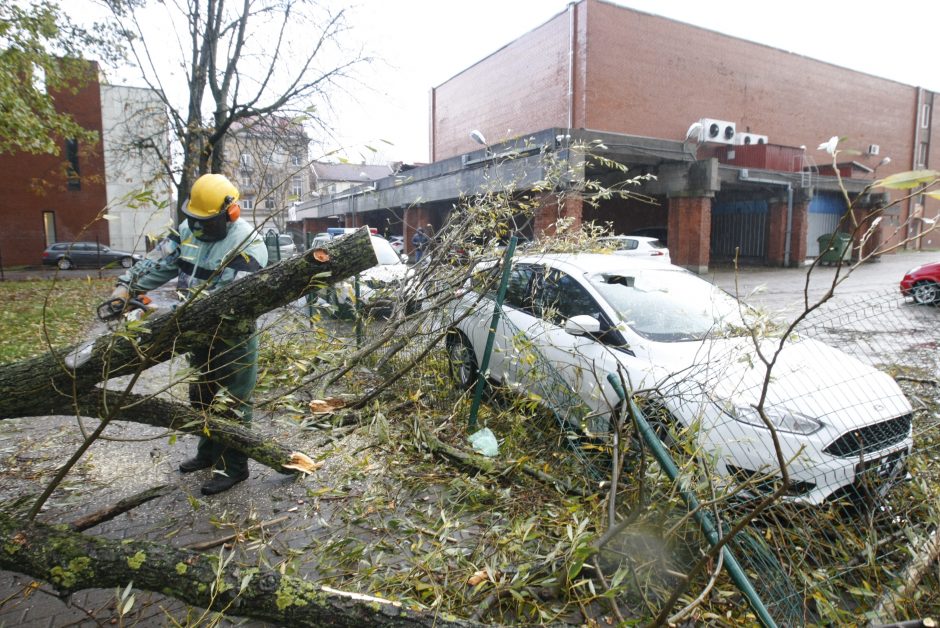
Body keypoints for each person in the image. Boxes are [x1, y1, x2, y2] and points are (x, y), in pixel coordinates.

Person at [102, 173, 268, 495]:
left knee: (230, 403)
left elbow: (226, 302)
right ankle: (207, 454)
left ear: (230, 213)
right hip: (195, 334)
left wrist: (166, 317)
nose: (200, 228)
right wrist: (126, 287)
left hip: (232, 338)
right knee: (202, 396)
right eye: (196, 221)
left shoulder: (249, 246)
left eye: (207, 222)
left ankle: (233, 468)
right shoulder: (188, 231)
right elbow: (158, 262)